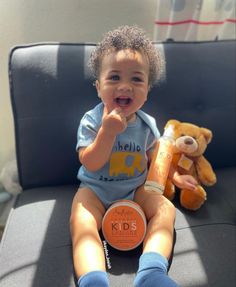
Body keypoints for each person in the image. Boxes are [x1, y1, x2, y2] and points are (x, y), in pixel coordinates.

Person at [70, 25, 197, 287]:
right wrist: (107, 132)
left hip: (136, 191)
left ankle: (152, 271)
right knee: (81, 222)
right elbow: (90, 161)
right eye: (114, 77)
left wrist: (176, 176)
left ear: (147, 90)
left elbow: (156, 162)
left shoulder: (147, 124)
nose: (125, 86)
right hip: (95, 191)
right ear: (98, 87)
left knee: (165, 209)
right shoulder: (92, 121)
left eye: (136, 79)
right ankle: (93, 279)